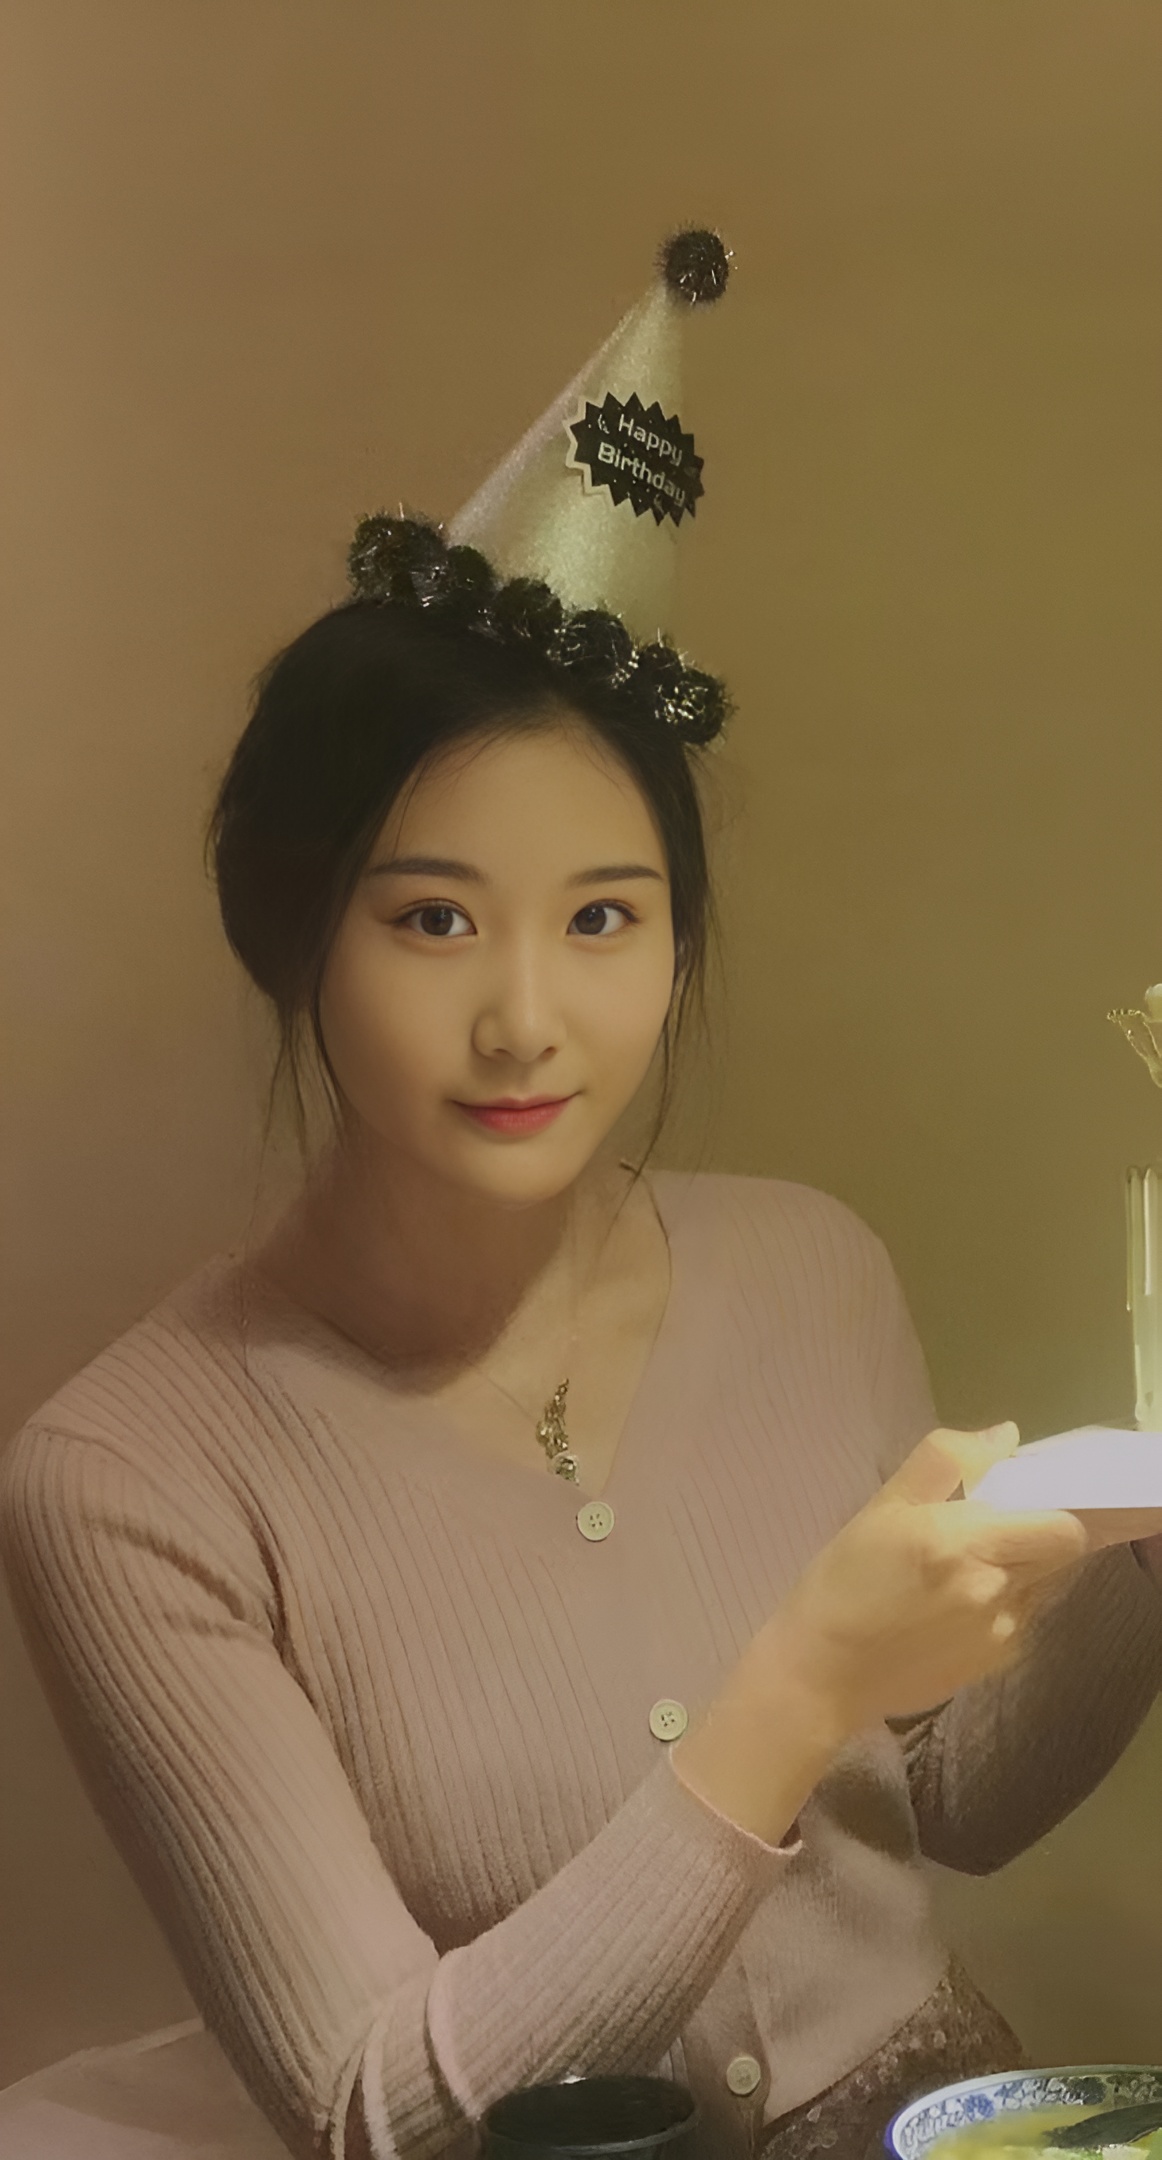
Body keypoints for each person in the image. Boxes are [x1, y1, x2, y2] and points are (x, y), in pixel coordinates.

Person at [3, 518, 1162, 2160]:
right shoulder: (129, 1476)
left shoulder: (807, 1263)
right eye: (433, 920)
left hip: (938, 2123)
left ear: (676, 939)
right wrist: (797, 1682)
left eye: (603, 919)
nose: (527, 1020)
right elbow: (370, 2111)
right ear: (289, 931)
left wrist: (1139, 1543)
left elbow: (954, 1801)